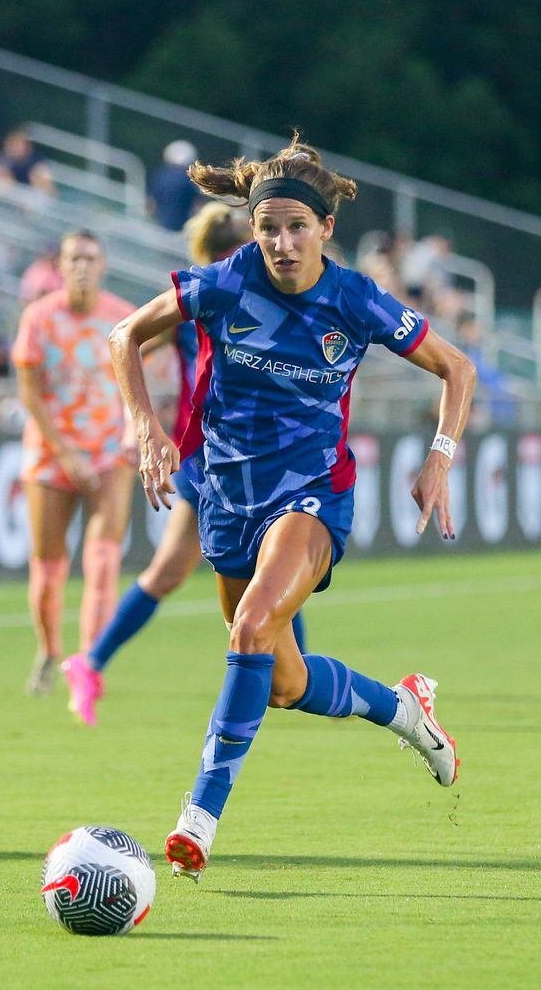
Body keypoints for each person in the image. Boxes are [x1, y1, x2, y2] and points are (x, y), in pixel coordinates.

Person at [107, 136, 477, 881]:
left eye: (296, 227)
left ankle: (199, 818)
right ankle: (404, 709)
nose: (280, 242)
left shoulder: (356, 299)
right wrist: (143, 425)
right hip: (227, 497)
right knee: (283, 682)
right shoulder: (223, 281)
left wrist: (440, 455)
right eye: (268, 228)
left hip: (312, 495)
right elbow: (125, 336)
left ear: (325, 230)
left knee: (248, 628)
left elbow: (456, 368)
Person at [60, 203, 310, 726]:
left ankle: (92, 663)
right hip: (218, 452)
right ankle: (91, 662)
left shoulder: (218, 291)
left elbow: (143, 354)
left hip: (228, 449)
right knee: (238, 561)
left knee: (256, 556)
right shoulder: (223, 292)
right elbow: (137, 350)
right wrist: (143, 423)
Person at [11, 231, 138, 697]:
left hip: (108, 453)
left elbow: (135, 382)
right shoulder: (39, 319)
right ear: (60, 267)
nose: (82, 265)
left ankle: (89, 663)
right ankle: (48, 651)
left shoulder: (121, 317)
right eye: (73, 258)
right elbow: (29, 392)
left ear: (103, 264)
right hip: (50, 453)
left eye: (90, 257)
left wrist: (132, 430)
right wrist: (65, 454)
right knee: (48, 566)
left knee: (103, 560)